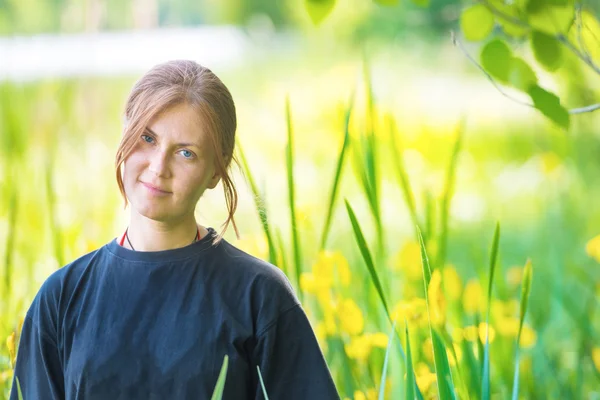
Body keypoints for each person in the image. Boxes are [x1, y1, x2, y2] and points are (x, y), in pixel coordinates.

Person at [10, 60, 340, 400]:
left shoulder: (259, 296)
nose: (158, 168)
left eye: (186, 153)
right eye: (147, 138)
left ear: (215, 172)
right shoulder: (62, 296)